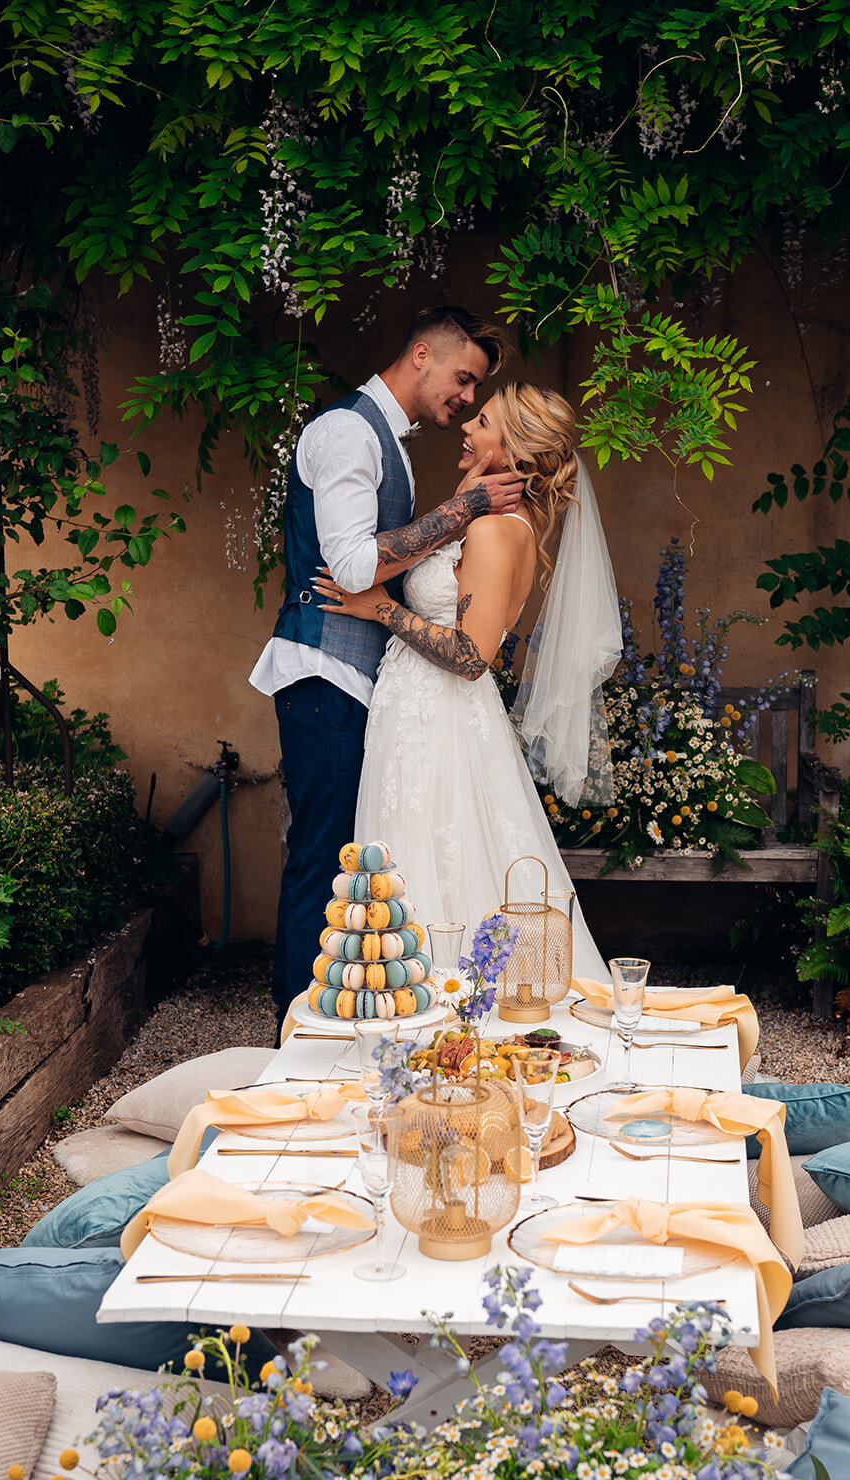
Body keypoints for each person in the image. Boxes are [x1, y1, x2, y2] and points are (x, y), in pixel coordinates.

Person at [250, 307, 525, 1028]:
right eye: (462, 378)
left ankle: (323, 1023)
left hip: (357, 682)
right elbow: (349, 566)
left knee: (344, 865)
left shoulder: (388, 442)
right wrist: (462, 508)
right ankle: (293, 1033)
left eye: (475, 390)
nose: (465, 399)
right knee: (323, 862)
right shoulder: (346, 430)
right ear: (421, 351)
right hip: (323, 674)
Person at [315, 382, 622, 983]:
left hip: (441, 717)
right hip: (418, 708)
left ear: (513, 449)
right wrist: (462, 502)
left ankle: (441, 1004)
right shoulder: (493, 520)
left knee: (437, 855)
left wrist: (376, 607)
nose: (466, 427)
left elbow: (471, 653)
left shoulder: (496, 531)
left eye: (481, 422)